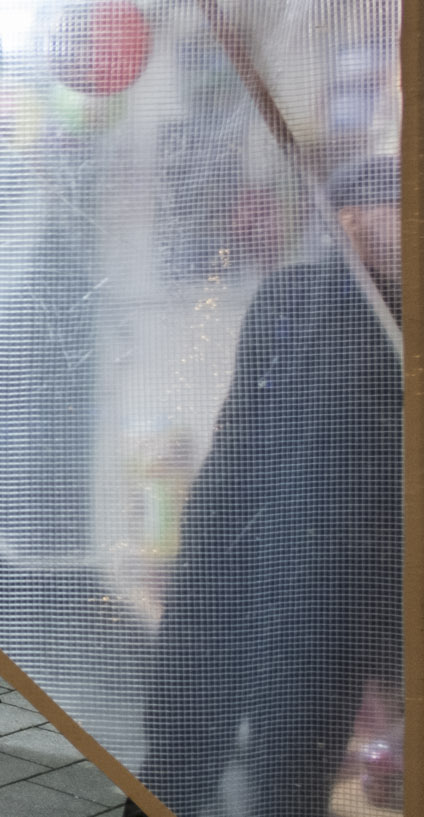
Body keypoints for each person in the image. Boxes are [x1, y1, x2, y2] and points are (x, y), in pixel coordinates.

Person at [128, 156, 401, 817]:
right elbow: (246, 447)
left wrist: (389, 655)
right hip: (238, 565)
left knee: (291, 778)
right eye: (405, 209)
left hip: (333, 597)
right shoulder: (299, 297)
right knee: (180, 756)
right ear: (353, 219)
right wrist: (190, 567)